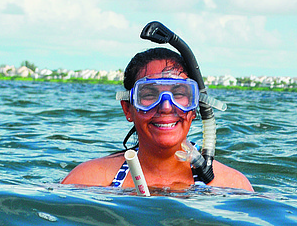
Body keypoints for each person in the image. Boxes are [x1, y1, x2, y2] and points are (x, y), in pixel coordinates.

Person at [62, 47, 252, 192]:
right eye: (150, 95)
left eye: (179, 94)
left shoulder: (232, 186)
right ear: (128, 109)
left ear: (195, 108)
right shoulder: (88, 181)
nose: (166, 107)